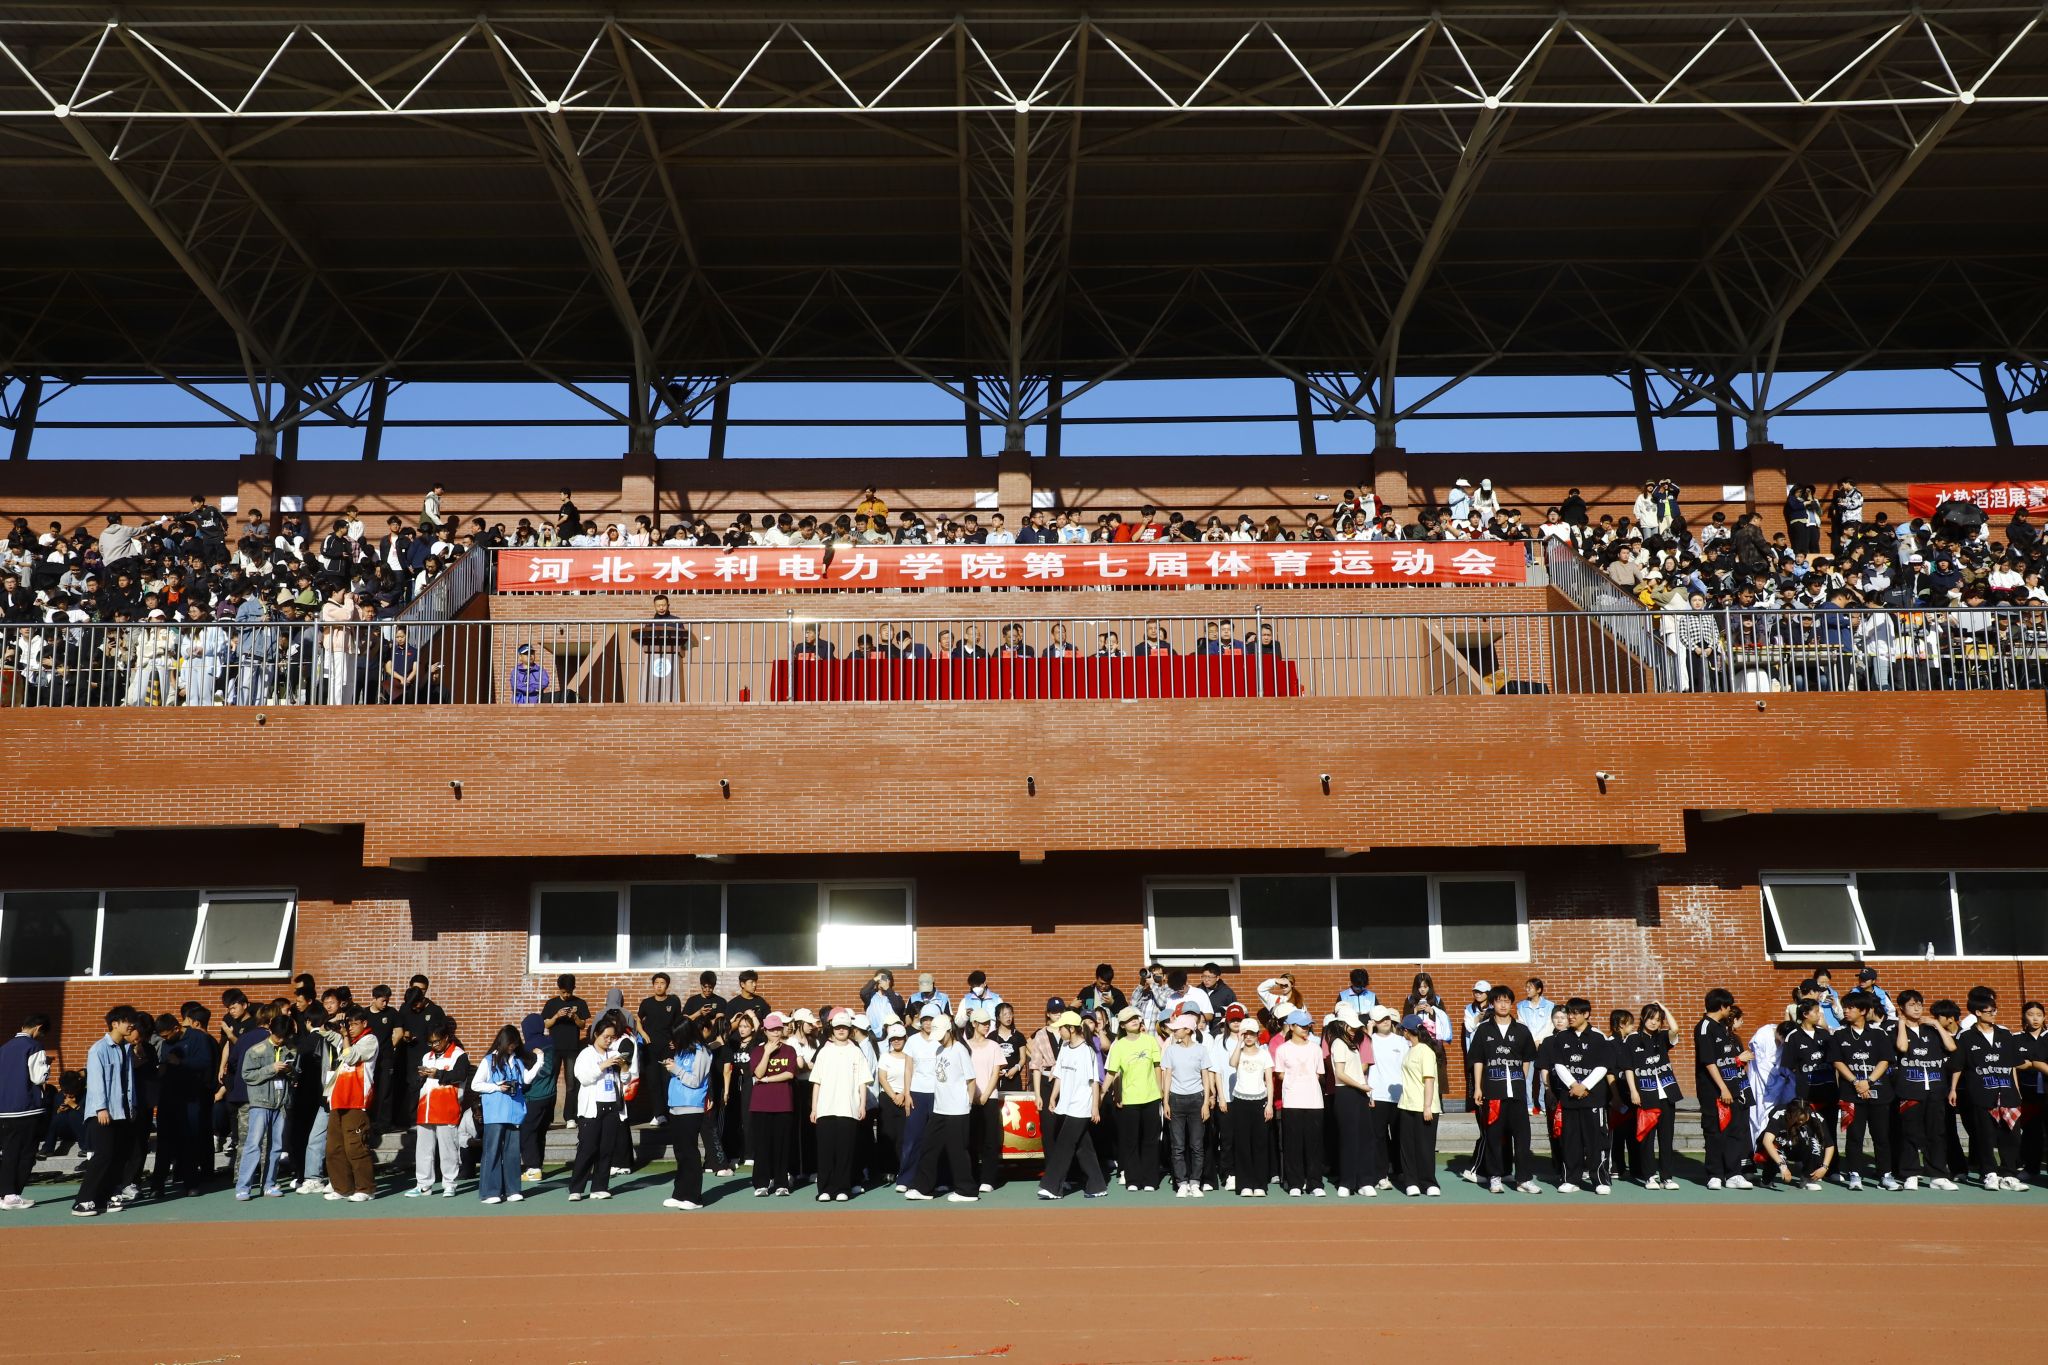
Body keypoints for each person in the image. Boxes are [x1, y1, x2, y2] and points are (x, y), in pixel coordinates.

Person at [1467, 985, 1539, 1194]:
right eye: (1499, 1001)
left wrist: (1521, 1081)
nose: (1503, 1005)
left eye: (1507, 1001)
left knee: (1522, 1137)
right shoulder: (1484, 1030)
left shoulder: (1521, 1030)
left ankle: (1524, 1179)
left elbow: (1527, 1059)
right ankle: (1495, 1177)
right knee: (1494, 1136)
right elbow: (1478, 1060)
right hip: (1493, 1092)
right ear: (1492, 1003)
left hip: (1516, 1093)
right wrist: (1478, 1087)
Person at [1953, 987, 2026, 1189]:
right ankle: (1989, 1173)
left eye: (1995, 1010)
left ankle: (2009, 1174)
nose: (1994, 1014)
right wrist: (1953, 1089)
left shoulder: (2005, 1034)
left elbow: (2012, 1066)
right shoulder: (1966, 1036)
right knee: (1984, 1135)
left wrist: (2017, 1090)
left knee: (2011, 1135)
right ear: (1978, 1012)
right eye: (1989, 1011)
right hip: (1982, 1093)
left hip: (2007, 1092)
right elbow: (1958, 1066)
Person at [71, 1006, 139, 1217]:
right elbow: (96, 1081)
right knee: (103, 1156)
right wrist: (101, 1108)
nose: (131, 1025)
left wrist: (132, 1106)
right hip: (102, 1113)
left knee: (118, 1157)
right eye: (127, 1021)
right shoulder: (98, 1049)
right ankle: (82, 1201)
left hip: (122, 1112)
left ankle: (103, 1198)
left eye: (132, 1021)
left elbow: (128, 1082)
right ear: (115, 1024)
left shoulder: (126, 1049)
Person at [1037, 1011, 1109, 1200]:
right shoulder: (1065, 1047)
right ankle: (1097, 1185)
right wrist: (1053, 1097)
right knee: (1083, 1147)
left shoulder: (1086, 1051)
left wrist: (1095, 1107)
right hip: (1066, 1104)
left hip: (1081, 1105)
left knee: (1065, 1144)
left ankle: (1052, 1187)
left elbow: (1094, 1081)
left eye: (1061, 1028)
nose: (1059, 1031)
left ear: (1071, 1029)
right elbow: (1059, 1074)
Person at [1830, 989, 1897, 1190]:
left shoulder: (1879, 1033)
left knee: (1881, 1136)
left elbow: (1885, 1060)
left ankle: (1885, 1175)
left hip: (1879, 1093)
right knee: (1854, 1136)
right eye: (1845, 1008)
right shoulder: (1839, 1034)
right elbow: (1837, 1061)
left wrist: (1868, 1081)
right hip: (1851, 1094)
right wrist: (1856, 1082)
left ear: (1863, 1010)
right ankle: (1855, 1175)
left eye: (1850, 1008)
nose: (1846, 1011)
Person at [1892, 990, 1959, 1190]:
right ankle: (1910, 1173)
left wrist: (1937, 1024)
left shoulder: (1932, 1030)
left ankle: (1937, 1175)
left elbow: (1951, 1047)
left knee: (1937, 1133)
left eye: (1919, 1004)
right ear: (1902, 1008)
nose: (1917, 1008)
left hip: (1936, 1089)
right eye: (1911, 1005)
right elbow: (1902, 1048)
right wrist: (1901, 1023)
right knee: (1910, 1133)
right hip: (1910, 1090)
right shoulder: (1895, 1029)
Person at [909, 1012, 976, 1202]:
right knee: (929, 1147)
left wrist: (968, 1104)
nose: (938, 1039)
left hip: (958, 1110)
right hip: (939, 1109)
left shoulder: (960, 1050)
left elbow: (971, 1080)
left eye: (941, 1035)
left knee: (957, 1151)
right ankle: (923, 1189)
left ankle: (967, 1191)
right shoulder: (938, 1050)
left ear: (949, 1031)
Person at [1550, 998, 1613, 1194]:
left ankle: (1600, 1180)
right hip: (1569, 1097)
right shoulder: (1561, 1037)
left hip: (1593, 1098)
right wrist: (1573, 1085)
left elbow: (1603, 1067)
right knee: (1570, 1141)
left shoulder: (1598, 1037)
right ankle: (1571, 1179)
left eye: (1575, 1013)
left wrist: (1585, 1086)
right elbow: (1558, 1065)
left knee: (1596, 1141)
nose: (1570, 1016)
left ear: (1586, 1014)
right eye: (1569, 1012)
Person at [809, 1010, 872, 1202]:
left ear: (850, 1030)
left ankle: (843, 1188)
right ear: (832, 1029)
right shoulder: (824, 1052)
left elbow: (862, 1081)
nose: (841, 1030)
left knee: (846, 1151)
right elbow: (816, 1082)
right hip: (825, 1108)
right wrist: (814, 1108)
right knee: (825, 1151)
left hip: (849, 1108)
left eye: (844, 1027)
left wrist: (862, 1105)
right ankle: (825, 1189)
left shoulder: (856, 1052)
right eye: (838, 1027)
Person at [1695, 988, 1755, 1189]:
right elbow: (1709, 1062)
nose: (1730, 1010)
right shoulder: (1704, 1027)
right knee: (1715, 1131)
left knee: (1735, 1130)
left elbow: (1729, 1059)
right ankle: (1715, 1174)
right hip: (1713, 1090)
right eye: (1728, 1006)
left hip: (1734, 1086)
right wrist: (1723, 1088)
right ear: (1721, 1006)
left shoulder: (1723, 1028)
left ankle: (1733, 1174)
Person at [234, 1014, 296, 1201]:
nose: (281, 1040)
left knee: (276, 1146)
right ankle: (243, 1187)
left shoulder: (291, 1050)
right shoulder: (256, 1050)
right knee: (253, 1145)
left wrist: (290, 1071)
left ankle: (269, 1184)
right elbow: (247, 1075)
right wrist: (271, 1069)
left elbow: (296, 1075)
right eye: (278, 1036)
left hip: (280, 1103)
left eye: (284, 1036)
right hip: (260, 1103)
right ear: (270, 1030)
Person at [321, 1008, 379, 1203]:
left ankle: (366, 1189)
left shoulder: (370, 1040)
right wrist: (332, 1020)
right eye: (349, 1024)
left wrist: (345, 1037)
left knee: (356, 1147)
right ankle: (342, 1187)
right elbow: (324, 1031)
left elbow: (350, 1056)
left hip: (356, 1101)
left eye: (355, 1024)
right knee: (333, 1148)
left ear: (364, 1024)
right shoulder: (346, 1038)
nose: (351, 1028)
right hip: (337, 1100)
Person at [1622, 1003, 1681, 1189]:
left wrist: (1664, 1008)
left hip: (1667, 1094)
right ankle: (1649, 1176)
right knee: (1647, 1138)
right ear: (1643, 1018)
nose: (1654, 1023)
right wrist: (1633, 1091)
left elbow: (1675, 1029)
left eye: (1658, 1019)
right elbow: (1628, 1068)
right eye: (1650, 1018)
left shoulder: (1663, 1037)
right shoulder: (1632, 1039)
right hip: (1646, 1095)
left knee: (1666, 1138)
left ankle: (1667, 1177)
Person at [567, 1017, 628, 1201]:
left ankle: (600, 1187)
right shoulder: (586, 1054)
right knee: (587, 1148)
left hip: (612, 1105)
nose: (609, 1040)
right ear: (596, 1035)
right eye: (606, 1037)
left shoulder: (614, 1053)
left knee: (606, 1148)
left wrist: (624, 1067)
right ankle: (576, 1188)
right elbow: (583, 1078)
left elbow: (625, 1079)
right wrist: (603, 1065)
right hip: (592, 1107)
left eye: (612, 1037)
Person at [1105, 1005, 1164, 1191]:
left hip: (1151, 1097)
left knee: (1150, 1140)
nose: (1135, 1021)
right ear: (1122, 1025)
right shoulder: (1119, 1045)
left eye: (1136, 1018)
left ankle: (1150, 1180)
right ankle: (1133, 1180)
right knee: (1130, 1141)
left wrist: (1161, 1091)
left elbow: (1157, 1067)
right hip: (1130, 1100)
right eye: (1130, 1019)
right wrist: (1103, 1092)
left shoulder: (1150, 1041)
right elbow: (1112, 1072)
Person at [409, 1022, 469, 1199]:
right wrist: (420, 1077)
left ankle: (449, 1184)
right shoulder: (427, 1056)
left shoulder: (459, 1055)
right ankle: (423, 1185)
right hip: (425, 1108)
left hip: (447, 1107)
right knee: (423, 1150)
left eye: (436, 1041)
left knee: (448, 1149)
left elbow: (460, 1075)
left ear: (446, 1038)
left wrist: (439, 1074)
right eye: (431, 1042)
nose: (434, 1045)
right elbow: (417, 1082)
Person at [660, 1018, 714, 1210]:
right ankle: (679, 1193)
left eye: (677, 1037)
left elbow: (695, 1081)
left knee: (690, 1152)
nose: (674, 1041)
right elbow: (680, 1074)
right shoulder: (682, 1051)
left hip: (691, 1107)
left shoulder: (702, 1052)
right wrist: (672, 1066)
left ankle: (694, 1197)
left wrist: (676, 1069)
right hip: (675, 1106)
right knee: (680, 1152)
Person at [748, 1012, 802, 1196]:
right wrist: (767, 1053)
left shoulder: (789, 1050)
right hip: (760, 1105)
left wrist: (767, 1080)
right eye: (772, 1030)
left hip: (783, 1104)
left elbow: (789, 1074)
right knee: (762, 1146)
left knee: (782, 1146)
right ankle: (761, 1183)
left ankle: (781, 1183)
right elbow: (758, 1073)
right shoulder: (757, 1051)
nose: (776, 1033)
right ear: (765, 1031)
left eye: (779, 1029)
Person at [0, 1015, 51, 1210]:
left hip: (5, 1109)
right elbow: (39, 1077)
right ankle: (11, 1195)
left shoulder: (4, 1048)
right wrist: (47, 1066)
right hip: (26, 1108)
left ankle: (5, 1193)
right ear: (38, 1028)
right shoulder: (34, 1046)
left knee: (9, 1153)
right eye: (42, 1033)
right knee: (26, 1154)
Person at [1273, 1010, 1325, 1197]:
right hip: (1292, 1101)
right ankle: (1295, 1183)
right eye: (1302, 1025)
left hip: (1314, 1102)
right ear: (1292, 1027)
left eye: (1307, 1025)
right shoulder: (1283, 1049)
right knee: (1293, 1144)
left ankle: (1315, 1183)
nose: (1306, 1028)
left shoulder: (1316, 1049)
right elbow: (1280, 1073)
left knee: (1314, 1145)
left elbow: (1319, 1073)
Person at [1161, 1013, 1211, 1197]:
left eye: (1177, 1029)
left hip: (1197, 1100)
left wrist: (1206, 1103)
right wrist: (1166, 1101)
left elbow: (1205, 1077)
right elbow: (1167, 1076)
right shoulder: (1171, 1050)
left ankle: (1195, 1183)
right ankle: (1181, 1183)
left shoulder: (1201, 1050)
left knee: (1197, 1145)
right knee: (1178, 1146)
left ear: (1188, 1030)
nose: (1174, 1031)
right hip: (1176, 1100)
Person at [1325, 1011, 1374, 1198]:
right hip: (1346, 1094)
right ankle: (1347, 1182)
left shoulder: (1351, 1044)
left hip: (1359, 1093)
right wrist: (1361, 1086)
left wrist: (1365, 1092)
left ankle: (1364, 1181)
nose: (1354, 1030)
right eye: (1351, 1026)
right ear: (1342, 1025)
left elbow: (1357, 1073)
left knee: (1364, 1138)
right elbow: (1340, 1074)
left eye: (1355, 1027)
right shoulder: (1338, 1043)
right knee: (1349, 1139)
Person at [1397, 1014, 1441, 1198]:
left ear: (1407, 1031)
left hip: (1424, 1107)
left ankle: (1429, 1182)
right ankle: (1411, 1182)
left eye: (1403, 1030)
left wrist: (1427, 1106)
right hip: (1406, 1105)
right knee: (1407, 1147)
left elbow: (1429, 1080)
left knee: (1425, 1147)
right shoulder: (1410, 1050)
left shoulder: (1426, 1051)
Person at [1759, 1099, 1835, 1189]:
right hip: (1781, 1146)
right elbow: (1767, 1141)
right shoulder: (1780, 1114)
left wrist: (1824, 1167)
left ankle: (1807, 1179)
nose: (1801, 1122)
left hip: (1800, 1147)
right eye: (1798, 1120)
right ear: (1789, 1115)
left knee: (1815, 1144)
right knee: (1775, 1147)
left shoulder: (1816, 1118)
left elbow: (1829, 1145)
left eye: (1804, 1119)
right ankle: (1767, 1178)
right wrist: (1782, 1166)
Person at [517, 1014, 555, 1182]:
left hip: (533, 1096)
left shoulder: (527, 1048)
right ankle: (538, 1165)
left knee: (527, 1132)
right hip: (550, 1094)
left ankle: (533, 1168)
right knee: (541, 1132)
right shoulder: (552, 1042)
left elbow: (525, 1076)